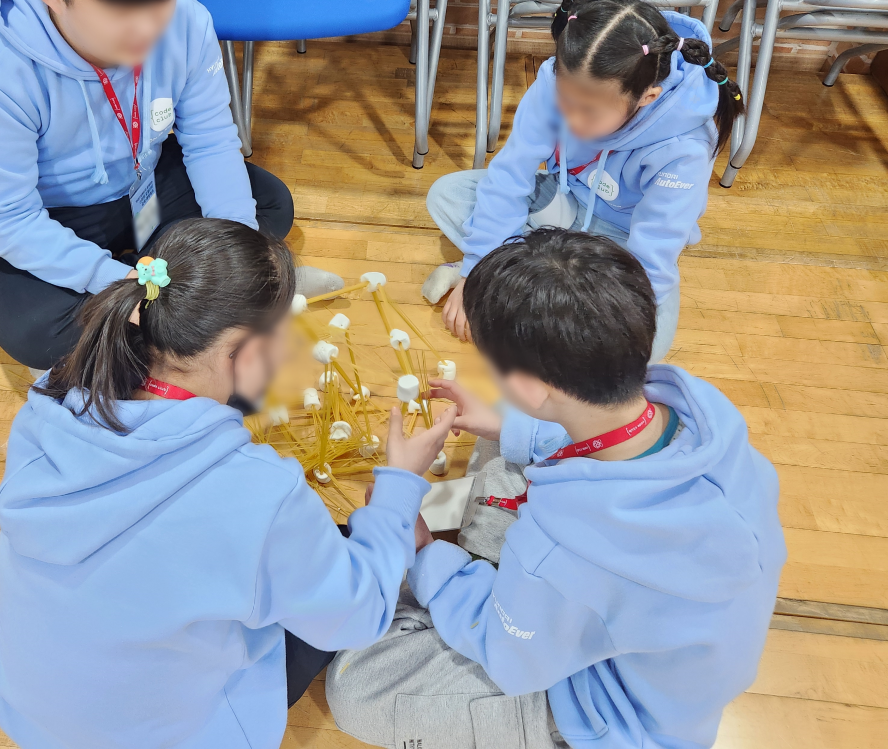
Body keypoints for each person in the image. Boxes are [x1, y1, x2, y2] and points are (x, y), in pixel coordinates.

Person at [0, 217, 458, 749]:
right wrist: (397, 490)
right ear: (247, 352)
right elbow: (356, 616)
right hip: (164, 737)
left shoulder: (49, 399)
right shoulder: (259, 494)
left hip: (31, 713)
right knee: (336, 560)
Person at [326, 228, 786, 749]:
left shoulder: (565, 548)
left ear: (529, 387)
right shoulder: (706, 414)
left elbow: (509, 653)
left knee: (355, 688)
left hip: (609, 710)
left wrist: (424, 550)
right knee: (504, 448)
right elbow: (599, 439)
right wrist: (512, 426)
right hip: (664, 657)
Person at [0, 0, 339, 371]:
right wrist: (116, 280)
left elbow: (211, 141)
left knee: (266, 205)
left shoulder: (187, 20)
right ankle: (183, 321)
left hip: (144, 181)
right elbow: (8, 218)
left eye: (163, 0)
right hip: (55, 214)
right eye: (124, 14)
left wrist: (240, 261)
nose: (151, 30)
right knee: (35, 332)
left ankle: (184, 317)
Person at [422, 0, 745, 361]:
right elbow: (509, 178)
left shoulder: (684, 147)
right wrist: (476, 270)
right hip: (564, 204)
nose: (571, 120)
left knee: (646, 350)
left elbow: (654, 252)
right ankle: (526, 284)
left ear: (648, 97)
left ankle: (521, 282)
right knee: (449, 194)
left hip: (623, 240)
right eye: (565, 101)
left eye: (589, 111)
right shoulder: (555, 81)